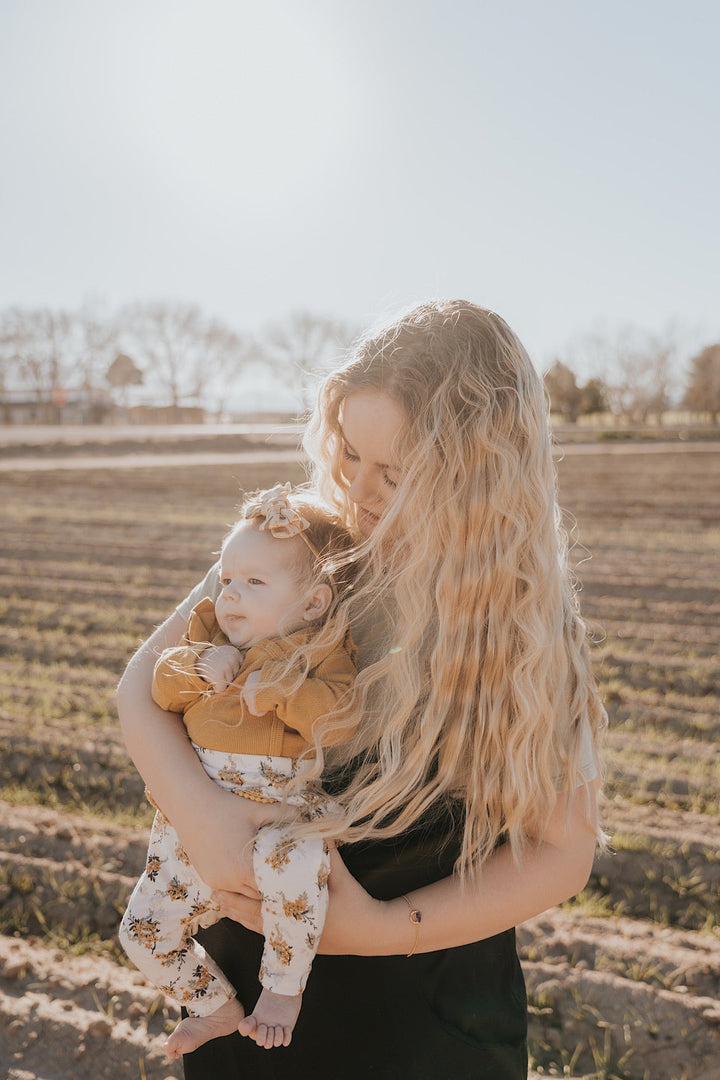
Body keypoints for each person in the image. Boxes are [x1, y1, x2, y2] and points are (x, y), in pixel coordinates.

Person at [117, 300, 606, 1079]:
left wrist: (374, 928)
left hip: (423, 1026)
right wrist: (204, 819)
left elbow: (560, 853)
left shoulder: (523, 630)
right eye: (349, 454)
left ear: (477, 477)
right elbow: (139, 691)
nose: (361, 492)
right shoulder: (301, 551)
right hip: (252, 1002)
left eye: (397, 472)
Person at [119, 484, 358, 1057]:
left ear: (313, 604)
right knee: (142, 931)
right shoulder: (209, 633)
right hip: (191, 824)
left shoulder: (322, 650)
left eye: (254, 583)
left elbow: (340, 719)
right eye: (227, 580)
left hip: (278, 816)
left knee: (299, 867)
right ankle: (214, 1006)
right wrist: (201, 664)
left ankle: (281, 988)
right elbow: (159, 685)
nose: (230, 596)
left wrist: (287, 691)